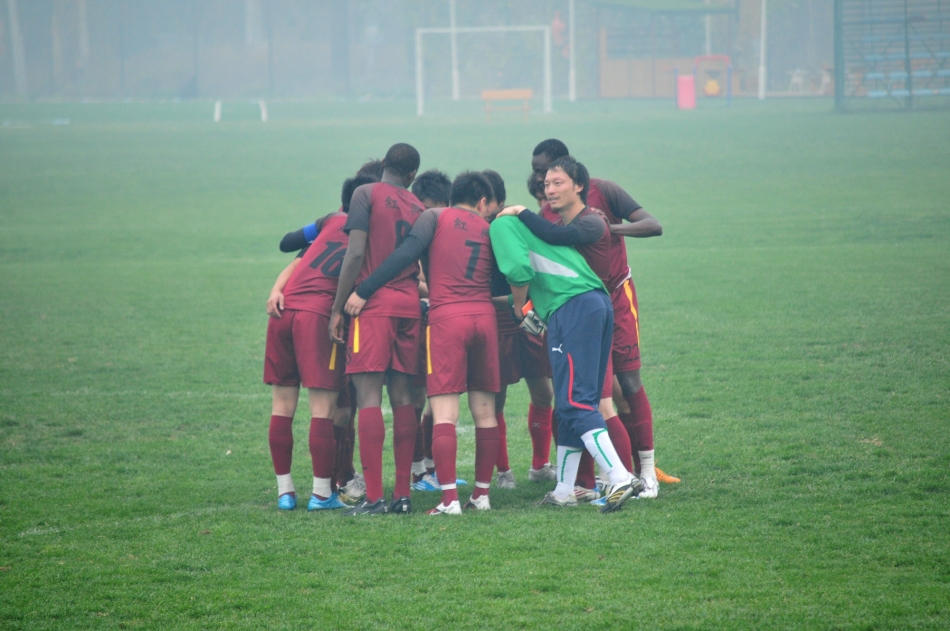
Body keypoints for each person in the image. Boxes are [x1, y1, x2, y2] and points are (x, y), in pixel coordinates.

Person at [345, 172, 501, 515]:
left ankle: (449, 501)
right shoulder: (491, 229)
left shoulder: (434, 217)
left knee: (445, 411)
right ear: (482, 203)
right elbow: (505, 278)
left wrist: (365, 289)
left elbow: (405, 256)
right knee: (486, 411)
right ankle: (482, 495)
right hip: (485, 318)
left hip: (447, 319)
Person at [530, 139, 676, 498]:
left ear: (572, 175)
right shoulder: (548, 211)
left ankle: (644, 472)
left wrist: (609, 229)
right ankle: (581, 483)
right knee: (586, 395)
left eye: (549, 174)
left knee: (627, 385)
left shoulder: (603, 193)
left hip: (614, 295)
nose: (542, 182)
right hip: (574, 307)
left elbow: (653, 225)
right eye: (540, 176)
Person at [490, 198, 642, 513]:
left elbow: (519, 271)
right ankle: (563, 490)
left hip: (571, 308)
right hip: (594, 304)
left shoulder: (502, 224)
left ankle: (619, 476)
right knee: (570, 404)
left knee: (575, 402)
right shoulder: (526, 229)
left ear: (484, 205)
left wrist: (519, 306)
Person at [263, 170, 378, 511]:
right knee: (323, 410)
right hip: (316, 318)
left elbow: (296, 252)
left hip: (283, 313)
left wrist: (276, 288)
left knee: (281, 407)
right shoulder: (371, 234)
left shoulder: (331, 222)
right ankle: (321, 494)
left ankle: (285, 492)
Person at [329, 143, 426, 516]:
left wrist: (339, 308)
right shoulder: (419, 207)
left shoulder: (365, 193)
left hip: (374, 307)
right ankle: (402, 495)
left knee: (368, 397)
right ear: (413, 175)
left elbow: (355, 254)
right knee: (404, 399)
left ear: (384, 164)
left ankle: (374, 497)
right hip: (409, 307)